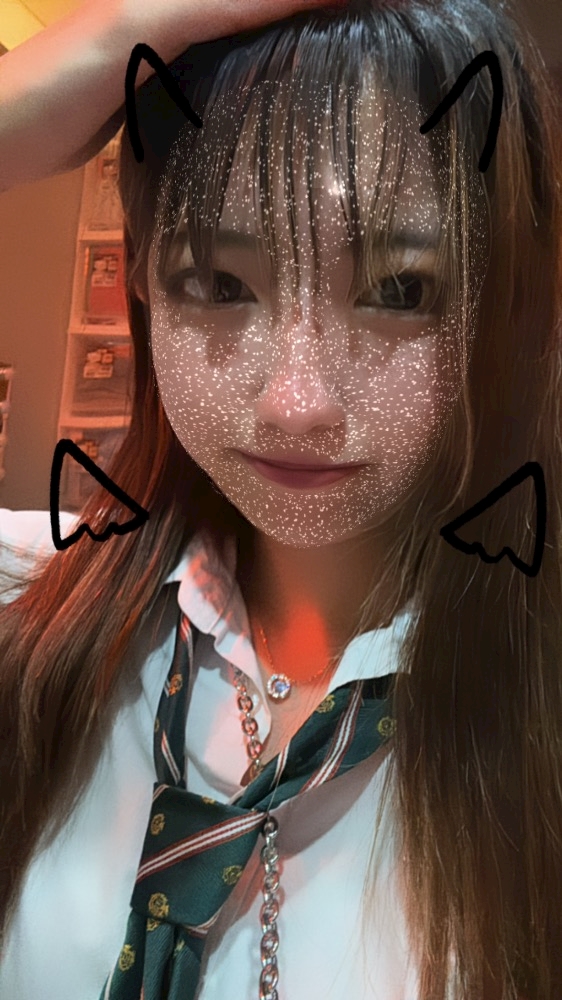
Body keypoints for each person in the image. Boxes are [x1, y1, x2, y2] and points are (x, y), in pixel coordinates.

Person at [1, 0, 561, 998]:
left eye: (399, 290)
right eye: (219, 283)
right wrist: (117, 33)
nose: (295, 403)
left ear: (495, 303)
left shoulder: (534, 713)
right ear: (142, 279)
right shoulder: (29, 616)